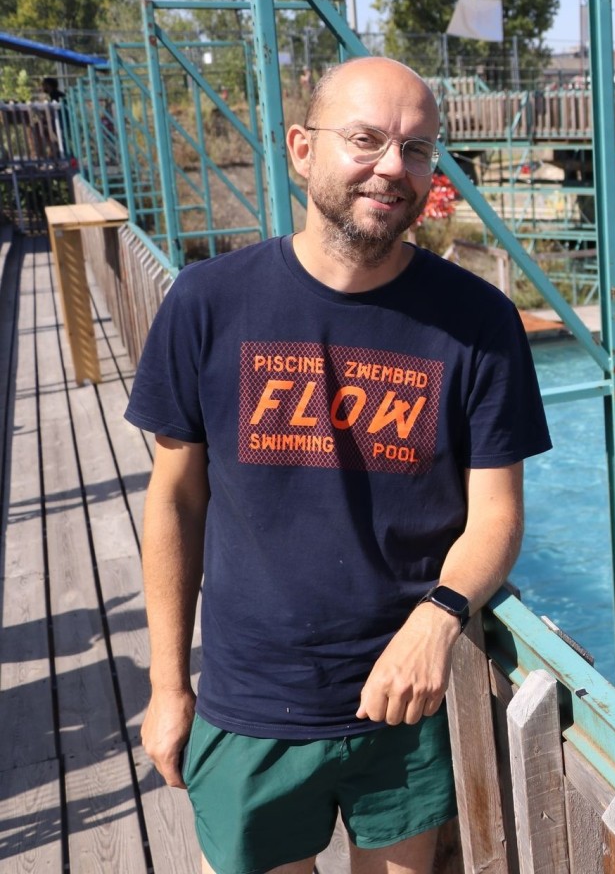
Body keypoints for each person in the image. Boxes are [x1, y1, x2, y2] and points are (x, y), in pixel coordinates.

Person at [125, 56, 553, 874]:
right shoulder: (209, 304)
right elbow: (176, 499)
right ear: (301, 148)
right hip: (249, 696)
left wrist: (439, 618)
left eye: (418, 149)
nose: (394, 167)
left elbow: (497, 512)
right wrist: (167, 683)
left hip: (404, 703)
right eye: (366, 139)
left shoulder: (479, 323)